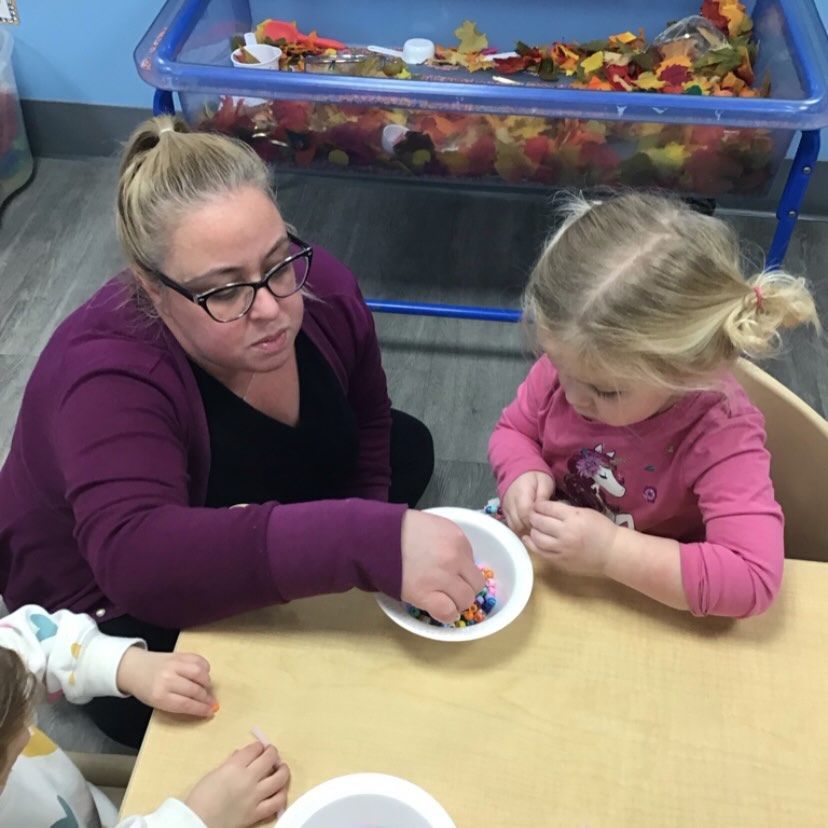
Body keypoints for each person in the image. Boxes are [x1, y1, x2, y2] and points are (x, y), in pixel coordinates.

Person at [0, 115, 484, 747]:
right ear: (153, 286)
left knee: (405, 446)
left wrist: (365, 527)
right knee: (216, 705)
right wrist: (364, 540)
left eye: (277, 262)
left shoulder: (319, 287)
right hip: (101, 593)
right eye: (224, 290)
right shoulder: (105, 373)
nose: (271, 309)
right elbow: (135, 560)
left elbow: (368, 417)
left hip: (216, 494)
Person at [489, 191, 819, 618]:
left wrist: (610, 552)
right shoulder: (577, 365)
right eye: (555, 364)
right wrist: (522, 470)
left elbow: (753, 579)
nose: (570, 396)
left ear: (684, 373)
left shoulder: (720, 430)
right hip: (558, 571)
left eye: (606, 392)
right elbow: (513, 431)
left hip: (652, 592)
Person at [0, 603, 290, 827]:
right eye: (9, 763)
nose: (28, 732)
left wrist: (126, 665)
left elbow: (34, 638)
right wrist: (198, 819)